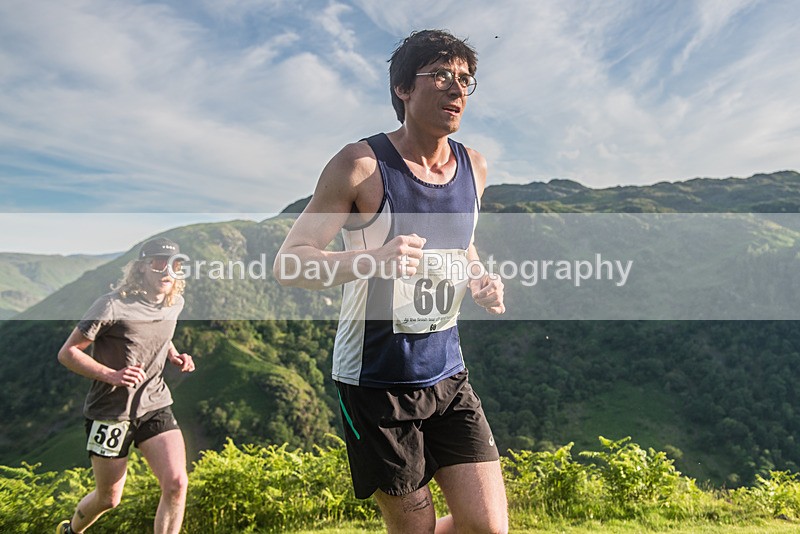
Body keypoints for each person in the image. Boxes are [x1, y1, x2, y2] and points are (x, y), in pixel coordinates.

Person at [274, 29, 508, 533]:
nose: (457, 89)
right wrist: (372, 260)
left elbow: (460, 244)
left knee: (488, 527)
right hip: (376, 383)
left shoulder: (475, 168)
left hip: (448, 374)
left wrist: (481, 278)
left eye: (466, 80)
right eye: (442, 75)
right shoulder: (361, 165)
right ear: (403, 88)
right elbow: (290, 263)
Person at [56, 237, 195, 534]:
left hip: (155, 403)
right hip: (111, 410)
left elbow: (160, 333)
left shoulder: (175, 303)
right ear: (142, 267)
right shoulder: (111, 305)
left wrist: (174, 355)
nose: (167, 270)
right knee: (109, 498)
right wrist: (111, 375)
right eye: (159, 262)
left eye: (176, 264)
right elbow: (68, 353)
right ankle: (71, 531)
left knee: (176, 484)